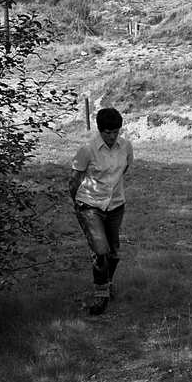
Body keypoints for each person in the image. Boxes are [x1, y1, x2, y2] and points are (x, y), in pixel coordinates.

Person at [69, 106, 133, 316]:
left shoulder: (126, 146)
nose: (112, 136)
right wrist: (78, 203)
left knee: (114, 252)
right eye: (108, 132)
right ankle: (101, 294)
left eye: (116, 131)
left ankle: (108, 282)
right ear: (100, 130)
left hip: (115, 204)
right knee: (101, 250)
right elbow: (74, 179)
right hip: (90, 204)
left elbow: (124, 169)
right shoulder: (87, 150)